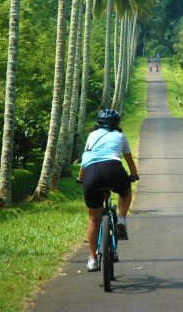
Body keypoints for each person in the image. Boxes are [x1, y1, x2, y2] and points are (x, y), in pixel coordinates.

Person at [77, 108, 139, 272]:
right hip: (114, 170)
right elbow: (129, 161)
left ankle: (92, 259)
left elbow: (85, 160)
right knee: (125, 192)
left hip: (91, 173)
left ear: (99, 123)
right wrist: (134, 175)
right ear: (117, 123)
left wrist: (81, 178)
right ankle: (121, 219)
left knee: (93, 219)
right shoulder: (120, 136)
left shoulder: (92, 136)